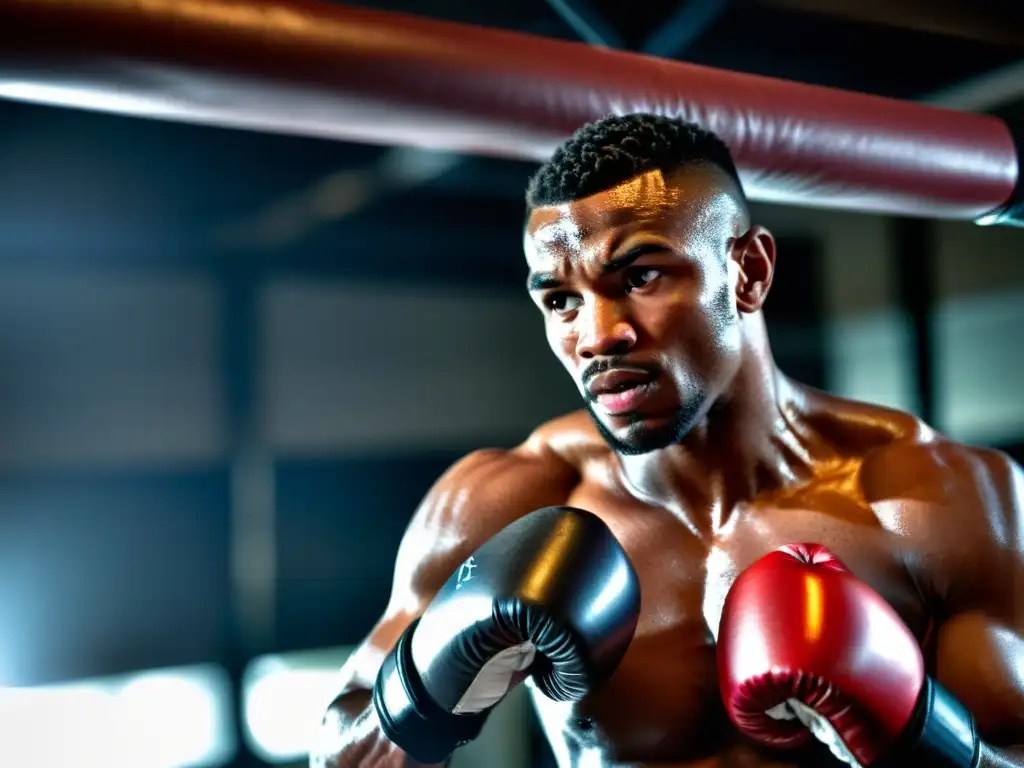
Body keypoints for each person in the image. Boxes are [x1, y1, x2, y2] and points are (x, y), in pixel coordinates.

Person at [310, 113, 1024, 767]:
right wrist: (425, 692)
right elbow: (338, 752)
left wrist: (917, 730)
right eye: (560, 300)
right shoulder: (509, 501)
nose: (595, 336)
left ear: (748, 271)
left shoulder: (935, 500)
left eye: (641, 275)